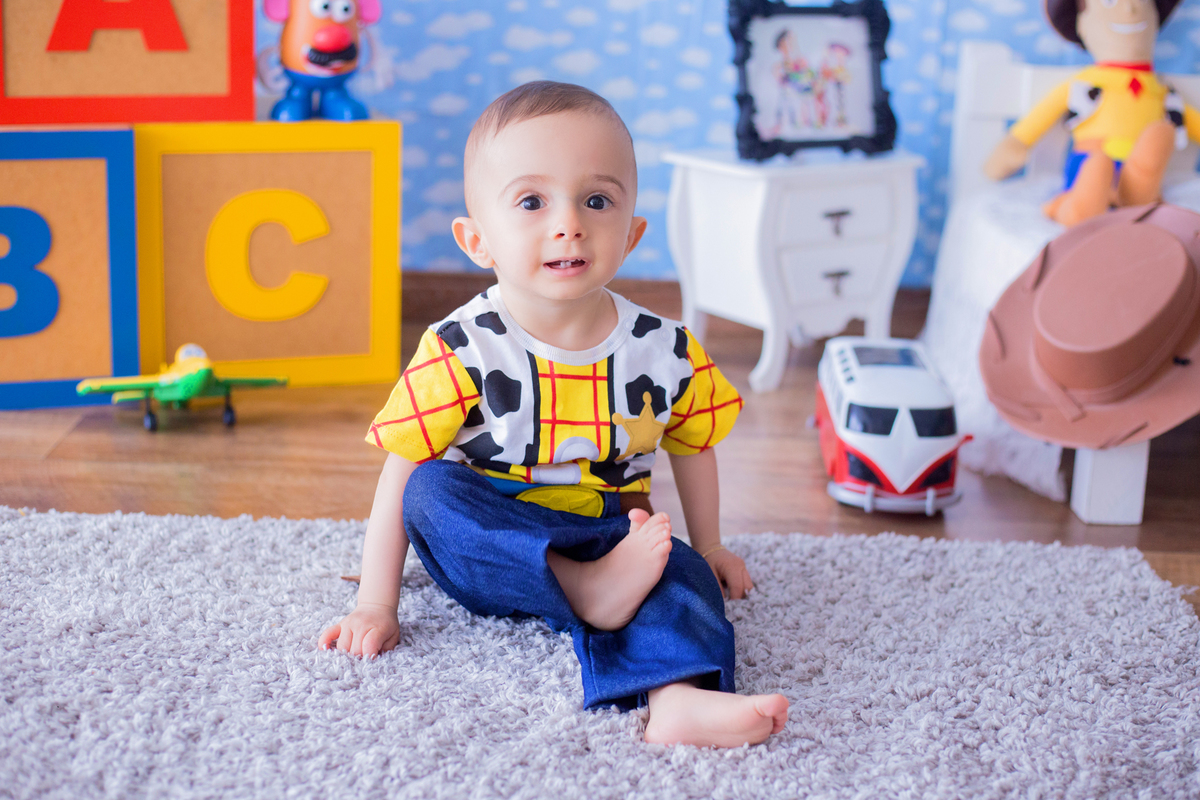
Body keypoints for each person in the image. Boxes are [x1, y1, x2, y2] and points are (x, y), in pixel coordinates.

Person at [318, 81, 789, 748]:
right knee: (430, 492)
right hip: (496, 534)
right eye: (532, 201)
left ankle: (679, 697)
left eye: (596, 200)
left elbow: (693, 444)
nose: (568, 222)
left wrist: (709, 546)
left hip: (610, 528)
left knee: (677, 572)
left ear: (631, 234)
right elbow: (398, 474)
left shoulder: (665, 349)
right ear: (477, 240)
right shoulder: (461, 346)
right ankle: (580, 587)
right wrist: (376, 601)